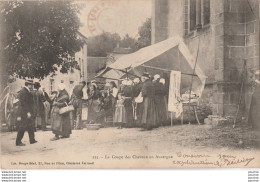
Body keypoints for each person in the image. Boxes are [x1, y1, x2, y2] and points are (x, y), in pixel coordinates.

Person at [16, 79, 37, 146]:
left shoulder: (25, 91)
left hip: (26, 111)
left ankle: (32, 140)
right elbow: (24, 103)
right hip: (24, 112)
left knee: (30, 125)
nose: (32, 86)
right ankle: (18, 141)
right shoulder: (24, 92)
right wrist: (28, 112)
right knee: (23, 126)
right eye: (31, 85)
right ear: (28, 85)